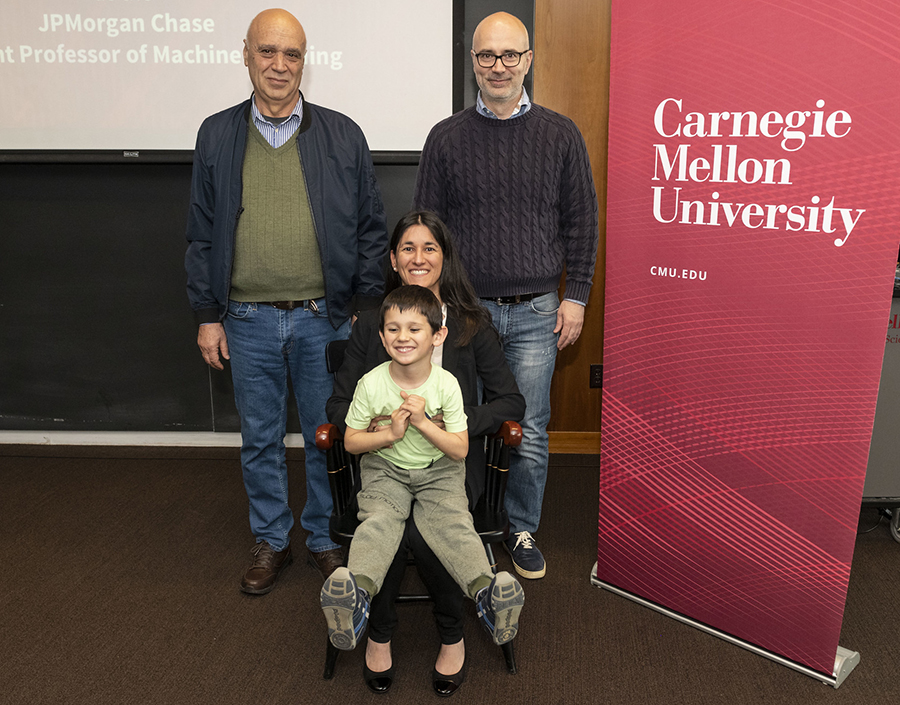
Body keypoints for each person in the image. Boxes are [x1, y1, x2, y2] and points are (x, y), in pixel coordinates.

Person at [184, 8, 388, 594]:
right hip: (244, 319)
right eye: (268, 52)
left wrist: (364, 305)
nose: (279, 65)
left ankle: (323, 538)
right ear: (245, 55)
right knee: (261, 438)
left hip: (324, 318)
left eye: (292, 54)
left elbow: (372, 227)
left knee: (331, 431)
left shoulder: (342, 133)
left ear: (305, 61)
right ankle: (272, 540)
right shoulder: (216, 133)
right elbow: (201, 232)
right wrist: (206, 315)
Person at [413, 11, 600, 580]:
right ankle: (462, 525)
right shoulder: (445, 138)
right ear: (473, 62)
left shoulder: (561, 134)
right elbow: (427, 228)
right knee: (455, 419)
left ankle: (520, 528)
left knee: (532, 425)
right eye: (487, 56)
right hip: (464, 313)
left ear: (529, 60)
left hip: (539, 312)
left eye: (510, 55)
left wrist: (578, 296)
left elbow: (582, 221)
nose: (498, 66)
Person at [325, 210, 525, 696]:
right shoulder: (374, 323)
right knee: (393, 522)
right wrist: (376, 423)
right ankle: (378, 631)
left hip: (451, 460)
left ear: (444, 257)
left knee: (429, 524)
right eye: (408, 249)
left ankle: (452, 635)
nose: (418, 258)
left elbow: (510, 402)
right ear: (393, 260)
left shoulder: (470, 324)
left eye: (429, 248)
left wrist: (449, 424)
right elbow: (337, 405)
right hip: (386, 459)